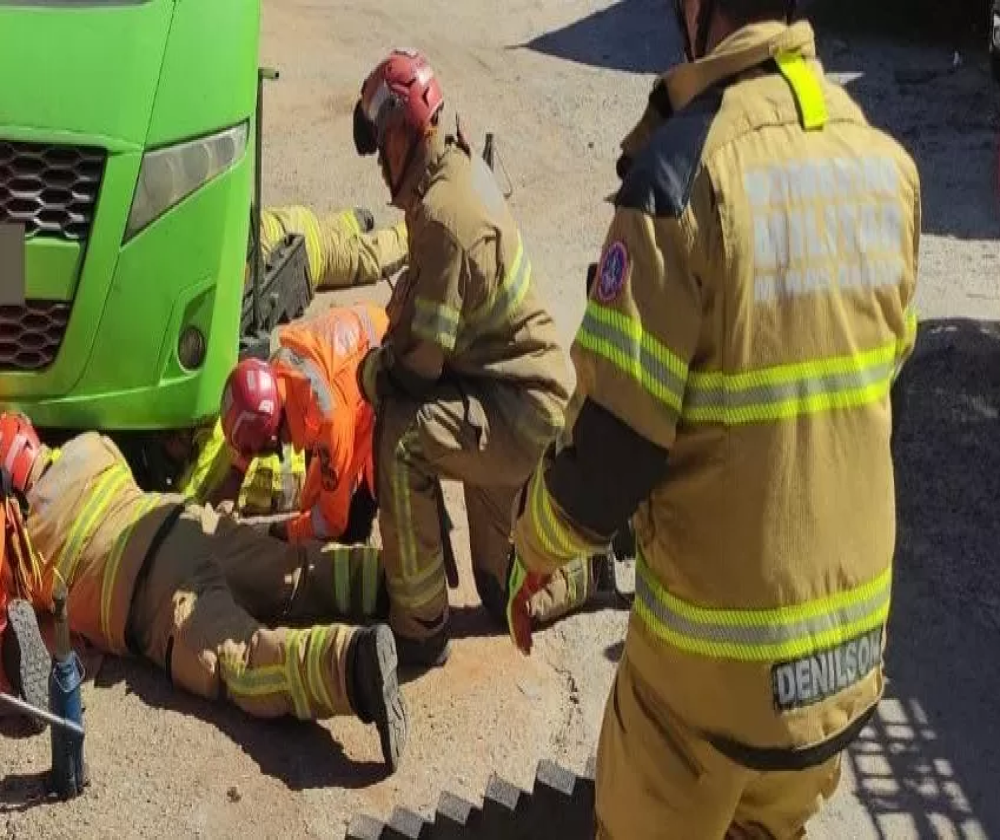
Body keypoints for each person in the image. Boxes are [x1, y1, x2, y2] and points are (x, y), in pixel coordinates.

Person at [506, 2, 921, 837]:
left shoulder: (681, 177)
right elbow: (880, 418)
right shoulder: (886, 165)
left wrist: (530, 546)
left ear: (696, 13)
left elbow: (607, 462)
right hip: (840, 682)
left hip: (704, 703)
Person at [352, 49, 612, 668]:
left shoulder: (444, 215)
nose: (380, 165)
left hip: (515, 414)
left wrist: (368, 372)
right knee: (503, 594)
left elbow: (418, 366)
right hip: (510, 393)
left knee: (404, 434)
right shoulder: (455, 172)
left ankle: (419, 626)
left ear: (402, 132)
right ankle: (590, 568)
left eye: (382, 143)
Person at [0, 412, 408, 772]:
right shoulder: (89, 447)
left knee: (245, 659)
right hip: (189, 524)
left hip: (155, 593)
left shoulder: (21, 539)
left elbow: (24, 630)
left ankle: (353, 665)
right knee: (295, 570)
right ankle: (394, 581)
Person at [220, 304, 389, 546]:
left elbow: (331, 522)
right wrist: (235, 475)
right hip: (362, 338)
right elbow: (257, 424)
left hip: (387, 376)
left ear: (273, 439)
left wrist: (279, 531)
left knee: (368, 497)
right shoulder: (276, 374)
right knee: (311, 499)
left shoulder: (330, 421)